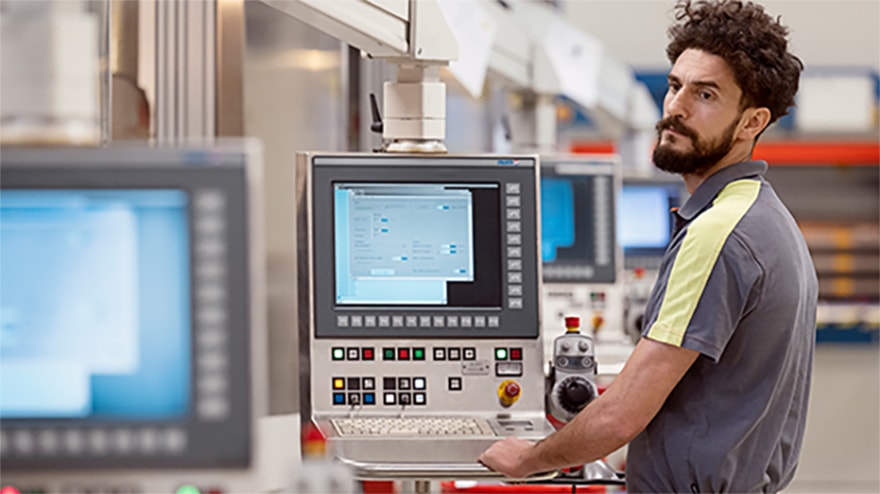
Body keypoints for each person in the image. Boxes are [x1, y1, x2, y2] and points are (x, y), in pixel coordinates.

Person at [478, 1, 818, 492]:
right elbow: (705, 399)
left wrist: (528, 459)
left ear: (751, 122)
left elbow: (621, 415)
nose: (676, 107)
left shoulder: (719, 234)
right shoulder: (764, 216)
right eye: (676, 85)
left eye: (705, 94)